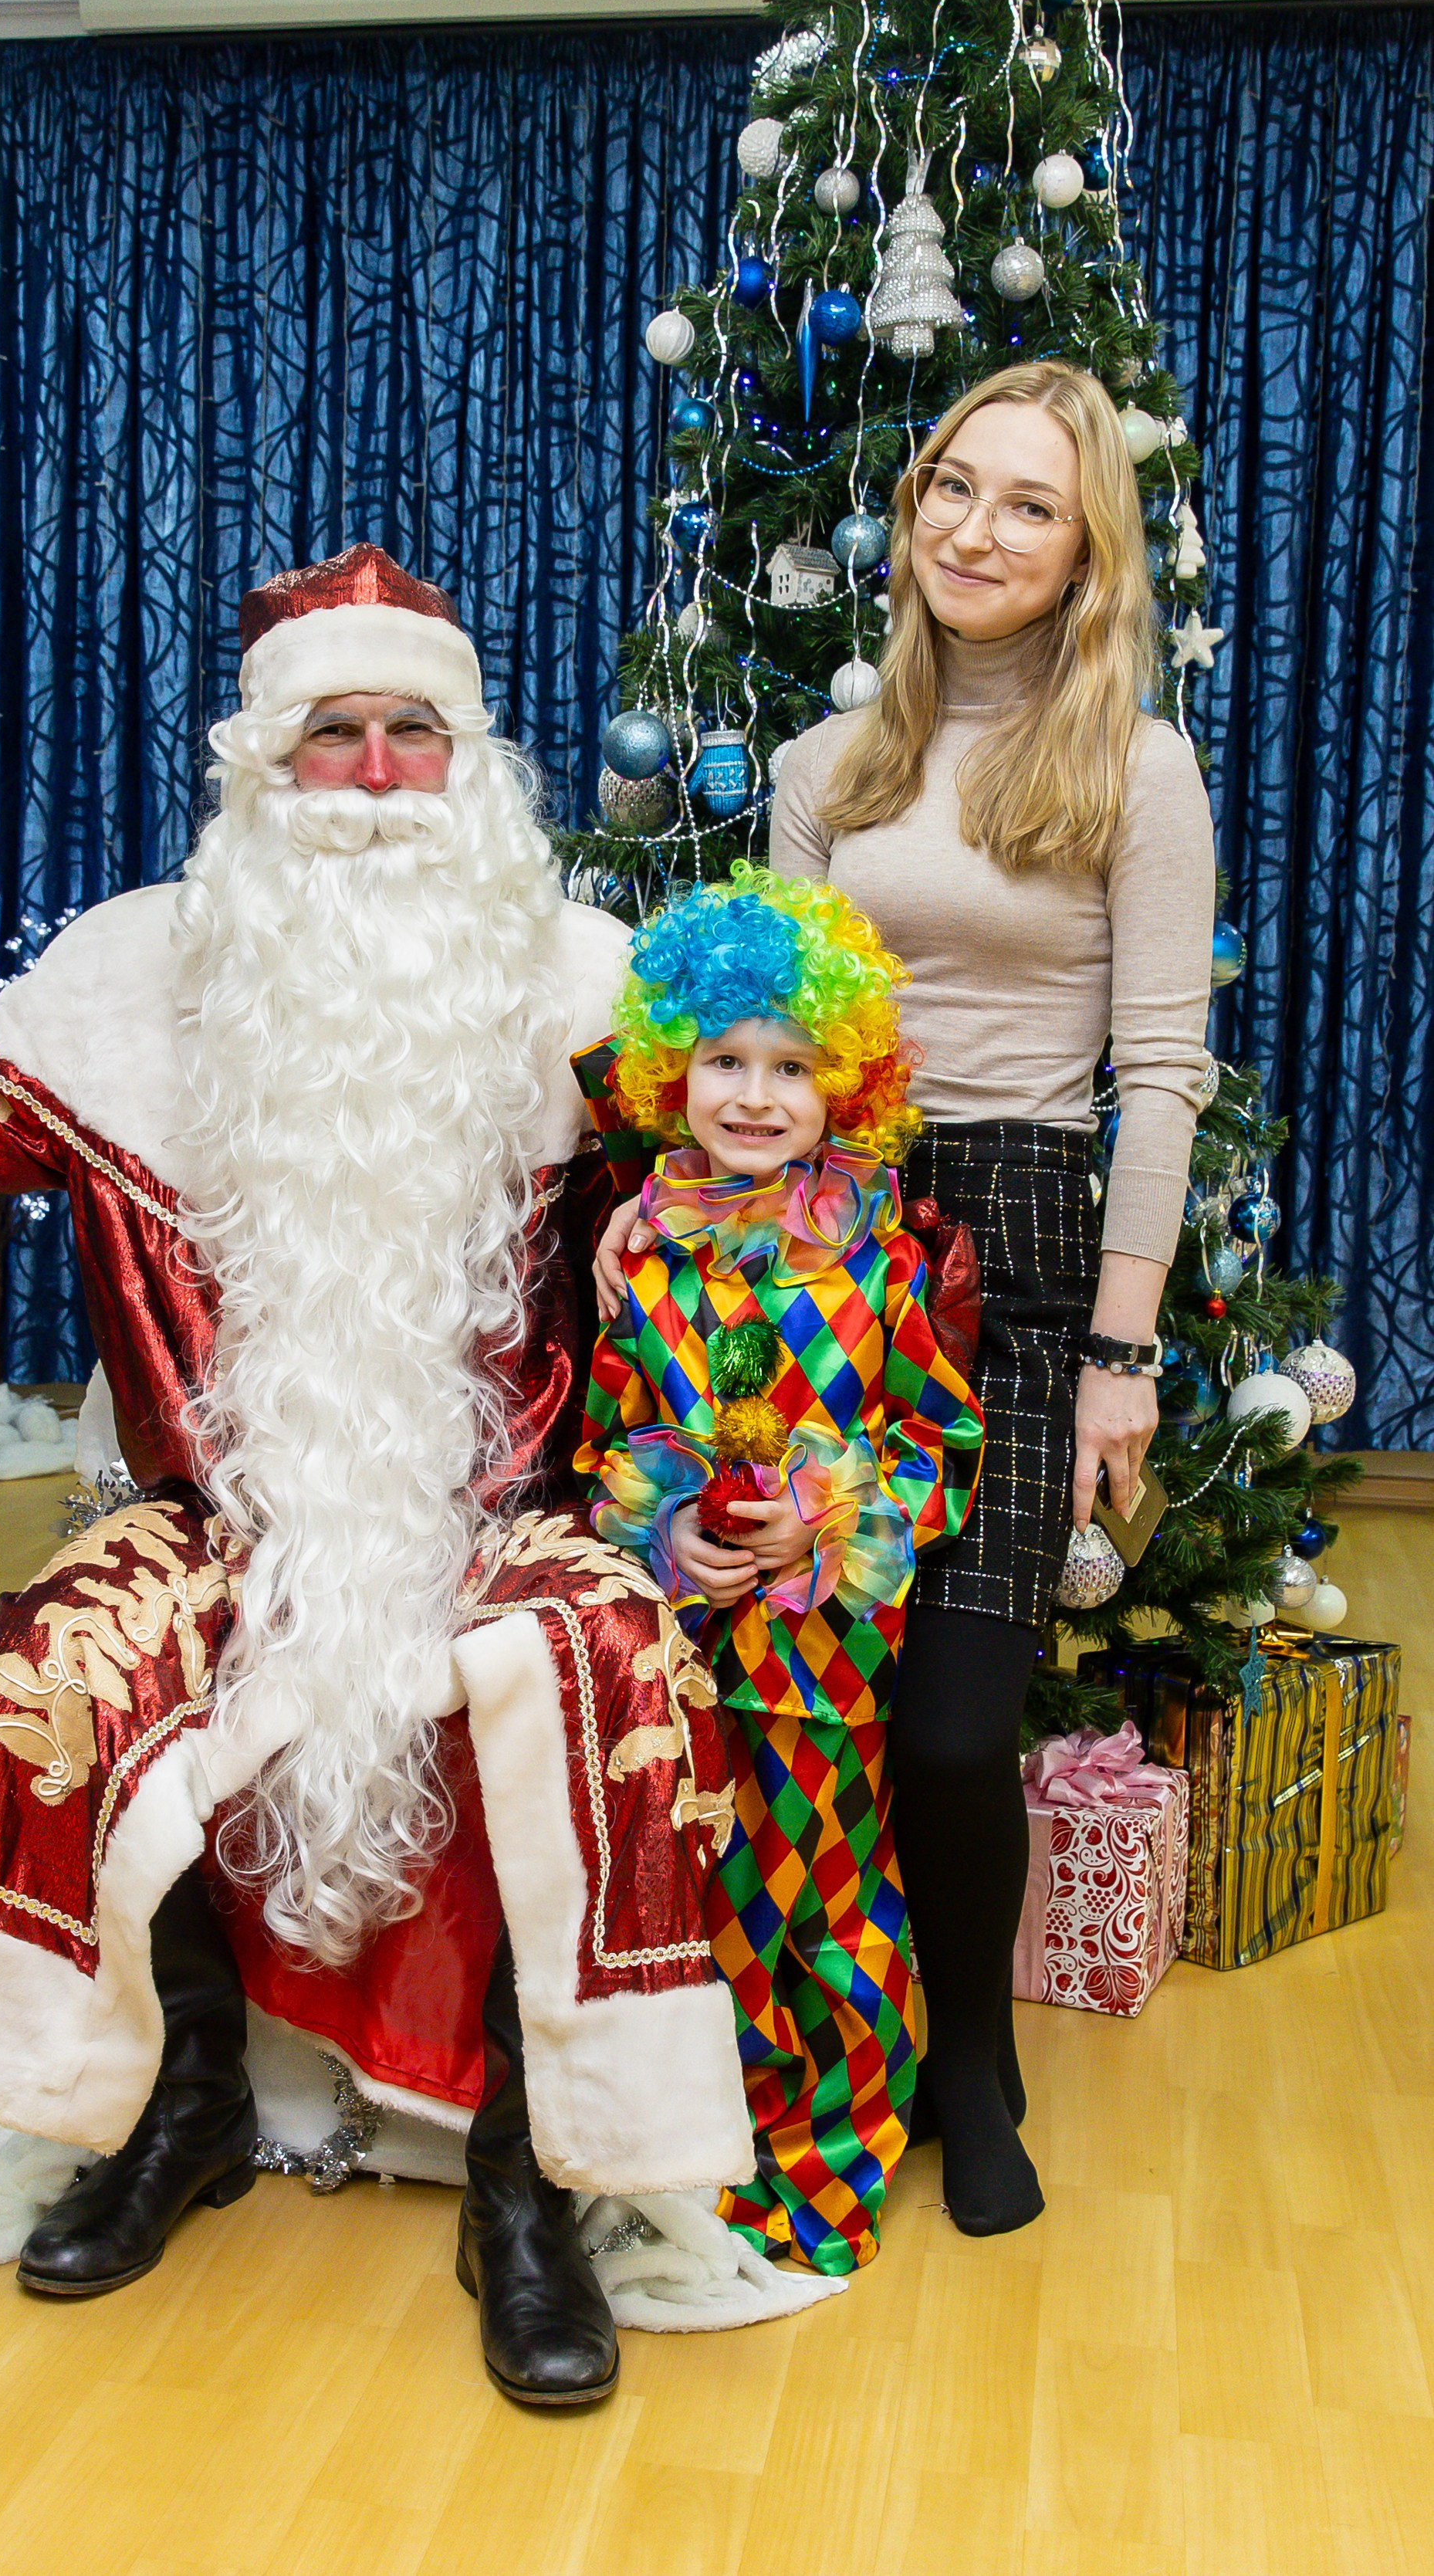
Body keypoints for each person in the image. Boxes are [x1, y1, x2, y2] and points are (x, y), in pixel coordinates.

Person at [0, 543, 757, 2406]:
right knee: (62, 1668)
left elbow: (757, 1231)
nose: (367, 777)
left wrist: (731, 1475)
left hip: (509, 1514)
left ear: (472, 762)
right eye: (328, 735)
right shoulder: (130, 990)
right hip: (212, 1517)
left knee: (615, 1670)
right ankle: (179, 2093)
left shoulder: (594, 1003)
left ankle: (534, 2180)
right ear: (259, 774)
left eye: (407, 734)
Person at [595, 362, 1214, 2237]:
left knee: (950, 1720)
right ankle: (788, 2041)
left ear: (1088, 543)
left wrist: (1120, 1350)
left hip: (1021, 1252)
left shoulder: (1139, 769)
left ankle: (976, 2063)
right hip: (819, 1253)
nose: (973, 528)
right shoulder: (818, 773)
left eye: (1029, 503)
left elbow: (1161, 1071)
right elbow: (756, 1034)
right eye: (953, 485)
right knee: (798, 1700)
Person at [572, 865, 983, 2277]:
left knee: (832, 1912)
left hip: (821, 1657)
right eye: (723, 1062)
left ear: (843, 1085)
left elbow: (938, 1439)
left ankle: (835, 2168)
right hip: (693, 1651)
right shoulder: (646, 1260)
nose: (753, 1094)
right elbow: (611, 1434)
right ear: (668, 1072)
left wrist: (828, 1520)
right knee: (722, 1907)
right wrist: (661, 1525)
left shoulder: (876, 1260)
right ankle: (732, 2148)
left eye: (791, 1067)